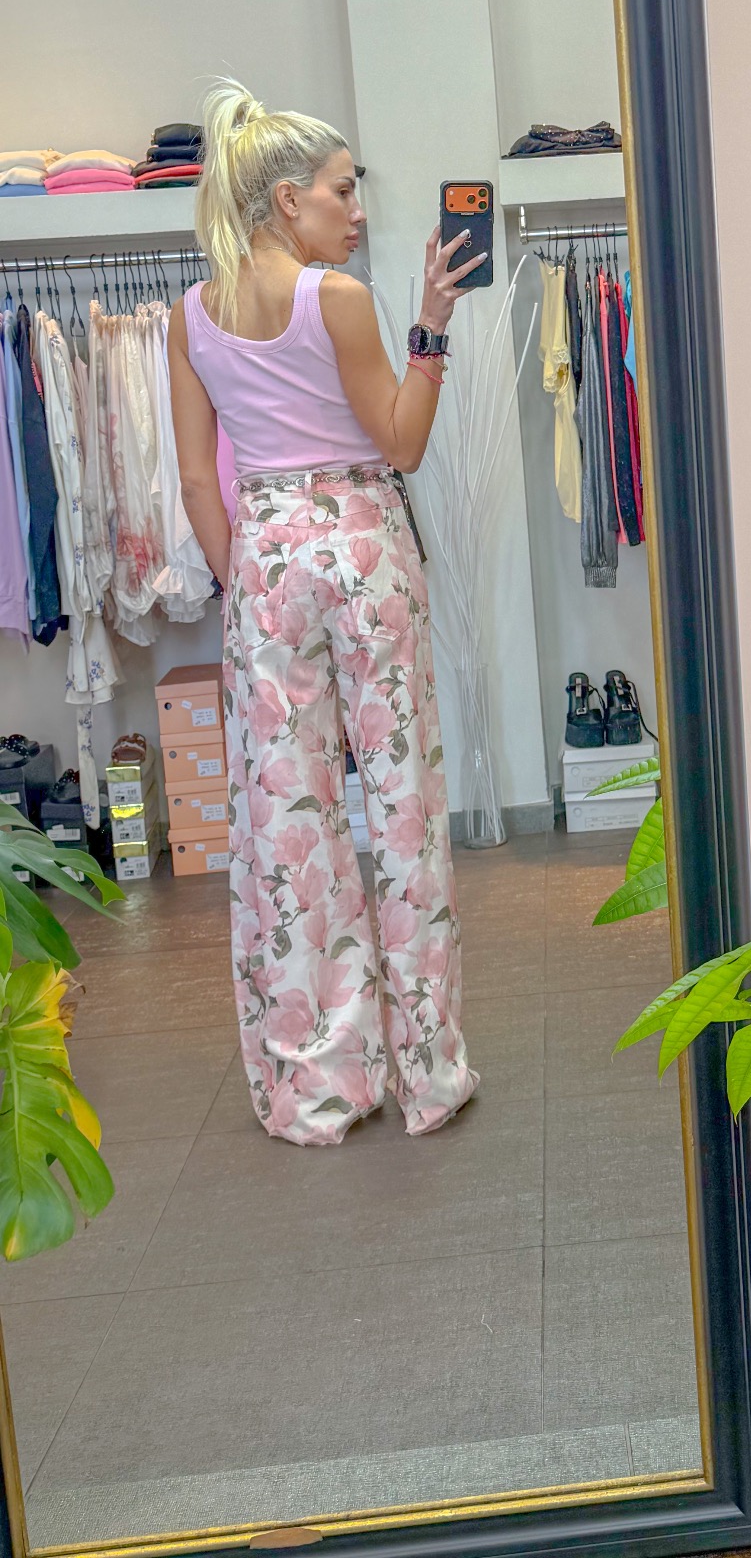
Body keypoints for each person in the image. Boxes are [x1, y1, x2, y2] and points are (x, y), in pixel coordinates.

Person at [168, 80, 484, 1145]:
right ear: (287, 200)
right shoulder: (337, 298)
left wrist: (247, 583)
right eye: (344, 191)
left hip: (264, 556)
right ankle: (428, 1072)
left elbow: (200, 482)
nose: (357, 211)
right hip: (360, 545)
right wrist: (432, 328)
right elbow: (401, 442)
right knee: (399, 805)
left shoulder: (190, 316)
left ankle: (320, 1084)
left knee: (288, 825)